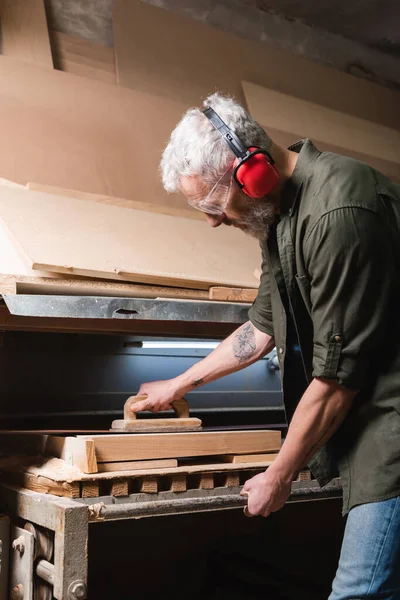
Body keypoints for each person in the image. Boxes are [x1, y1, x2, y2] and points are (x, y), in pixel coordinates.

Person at [131, 93, 400, 599]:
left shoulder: (338, 212)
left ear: (253, 172)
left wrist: (280, 472)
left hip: (392, 419)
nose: (212, 221)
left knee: (360, 591)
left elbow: (338, 377)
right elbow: (261, 329)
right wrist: (179, 382)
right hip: (371, 414)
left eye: (213, 205)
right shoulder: (278, 219)